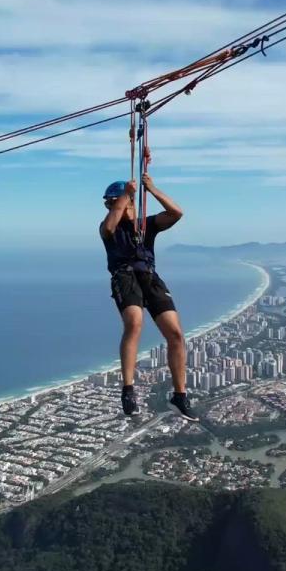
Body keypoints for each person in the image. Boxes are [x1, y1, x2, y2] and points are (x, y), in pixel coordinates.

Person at [100, 163, 198, 422]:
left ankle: (180, 395)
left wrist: (151, 189)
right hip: (125, 276)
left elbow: (176, 213)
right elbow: (109, 227)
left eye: (114, 202)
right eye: (112, 203)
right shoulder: (108, 227)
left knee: (176, 334)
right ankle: (128, 390)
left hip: (149, 277)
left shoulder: (146, 224)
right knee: (134, 322)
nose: (113, 207)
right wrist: (125, 197)